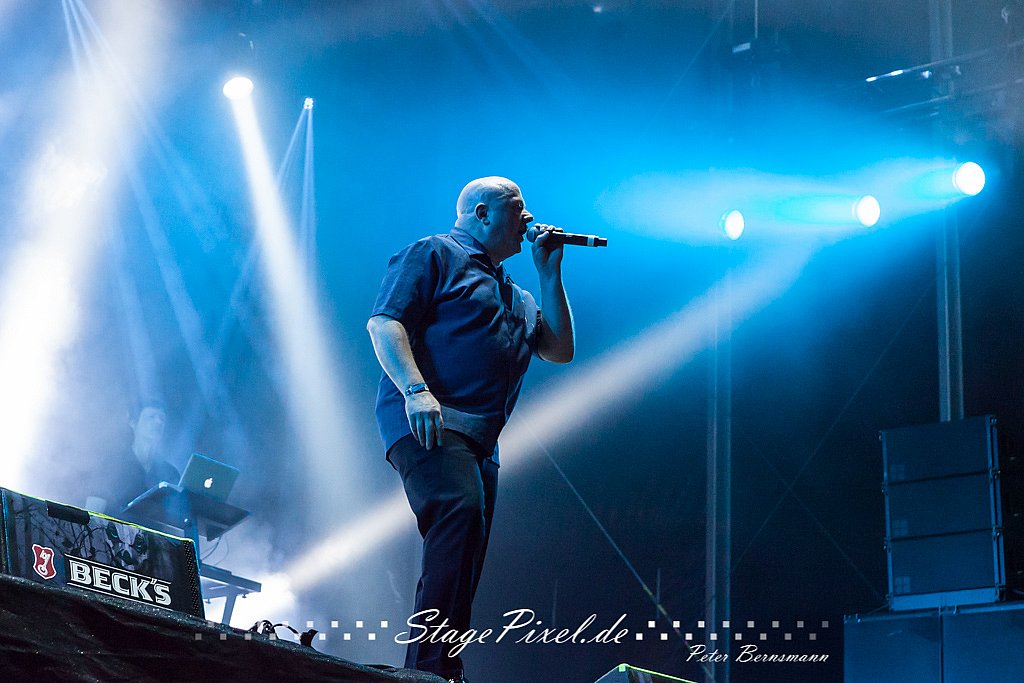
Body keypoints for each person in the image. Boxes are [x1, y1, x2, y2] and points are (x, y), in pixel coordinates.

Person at [367, 176, 575, 682]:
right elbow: (384, 323)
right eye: (517, 207)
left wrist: (548, 273)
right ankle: (430, 669)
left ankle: (440, 666)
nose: (528, 218)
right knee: (459, 514)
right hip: (430, 418)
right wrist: (416, 391)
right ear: (481, 213)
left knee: (467, 546)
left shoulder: (516, 294)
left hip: (482, 440)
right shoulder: (434, 252)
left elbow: (559, 350)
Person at [86, 398, 181, 517]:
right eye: (151, 417)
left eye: (162, 418)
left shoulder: (170, 473)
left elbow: (178, 517)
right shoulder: (112, 464)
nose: (158, 422)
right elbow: (92, 511)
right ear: (132, 422)